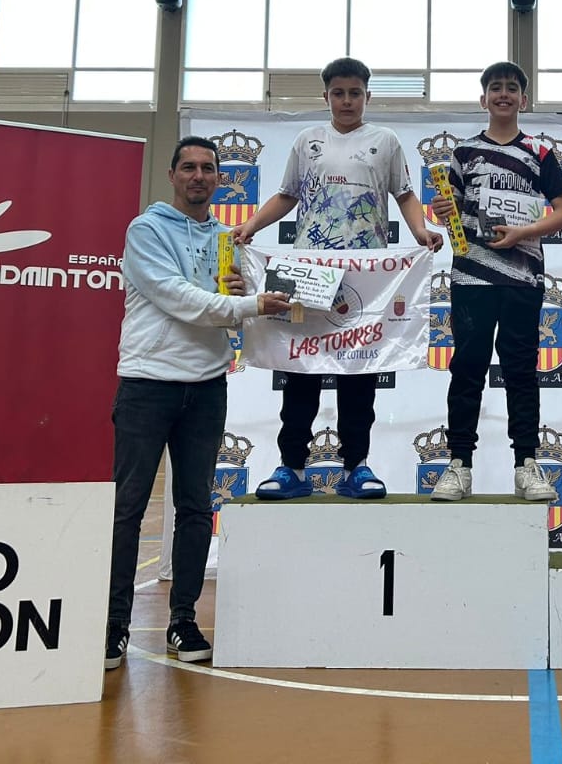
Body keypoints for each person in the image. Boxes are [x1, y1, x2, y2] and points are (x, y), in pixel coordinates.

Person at [106, 136, 290, 672]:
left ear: (219, 179)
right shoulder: (146, 230)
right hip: (147, 384)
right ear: (172, 175)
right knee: (127, 509)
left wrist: (245, 290)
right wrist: (247, 303)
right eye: (188, 167)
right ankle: (113, 626)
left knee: (194, 510)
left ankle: (182, 621)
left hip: (207, 385)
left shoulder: (227, 239)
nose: (199, 176)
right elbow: (178, 298)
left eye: (208, 168)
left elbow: (228, 298)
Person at [233, 57, 442, 500]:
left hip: (365, 276)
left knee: (358, 372)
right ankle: (291, 467)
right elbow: (287, 195)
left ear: (368, 96)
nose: (347, 101)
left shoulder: (385, 141)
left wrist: (420, 231)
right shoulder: (307, 140)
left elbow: (405, 194)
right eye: (339, 93)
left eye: (355, 93)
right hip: (307, 271)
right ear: (325, 96)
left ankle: (356, 467)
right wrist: (251, 225)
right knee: (299, 371)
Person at [428, 61, 562, 502]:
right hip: (471, 275)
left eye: (512, 88)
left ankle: (526, 464)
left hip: (522, 276)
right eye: (496, 88)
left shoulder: (540, 153)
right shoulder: (464, 153)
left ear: (523, 100)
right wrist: (442, 210)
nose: (504, 94)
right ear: (484, 99)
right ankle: (459, 465)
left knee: (520, 372)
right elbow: (450, 212)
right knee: (467, 369)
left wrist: (524, 232)